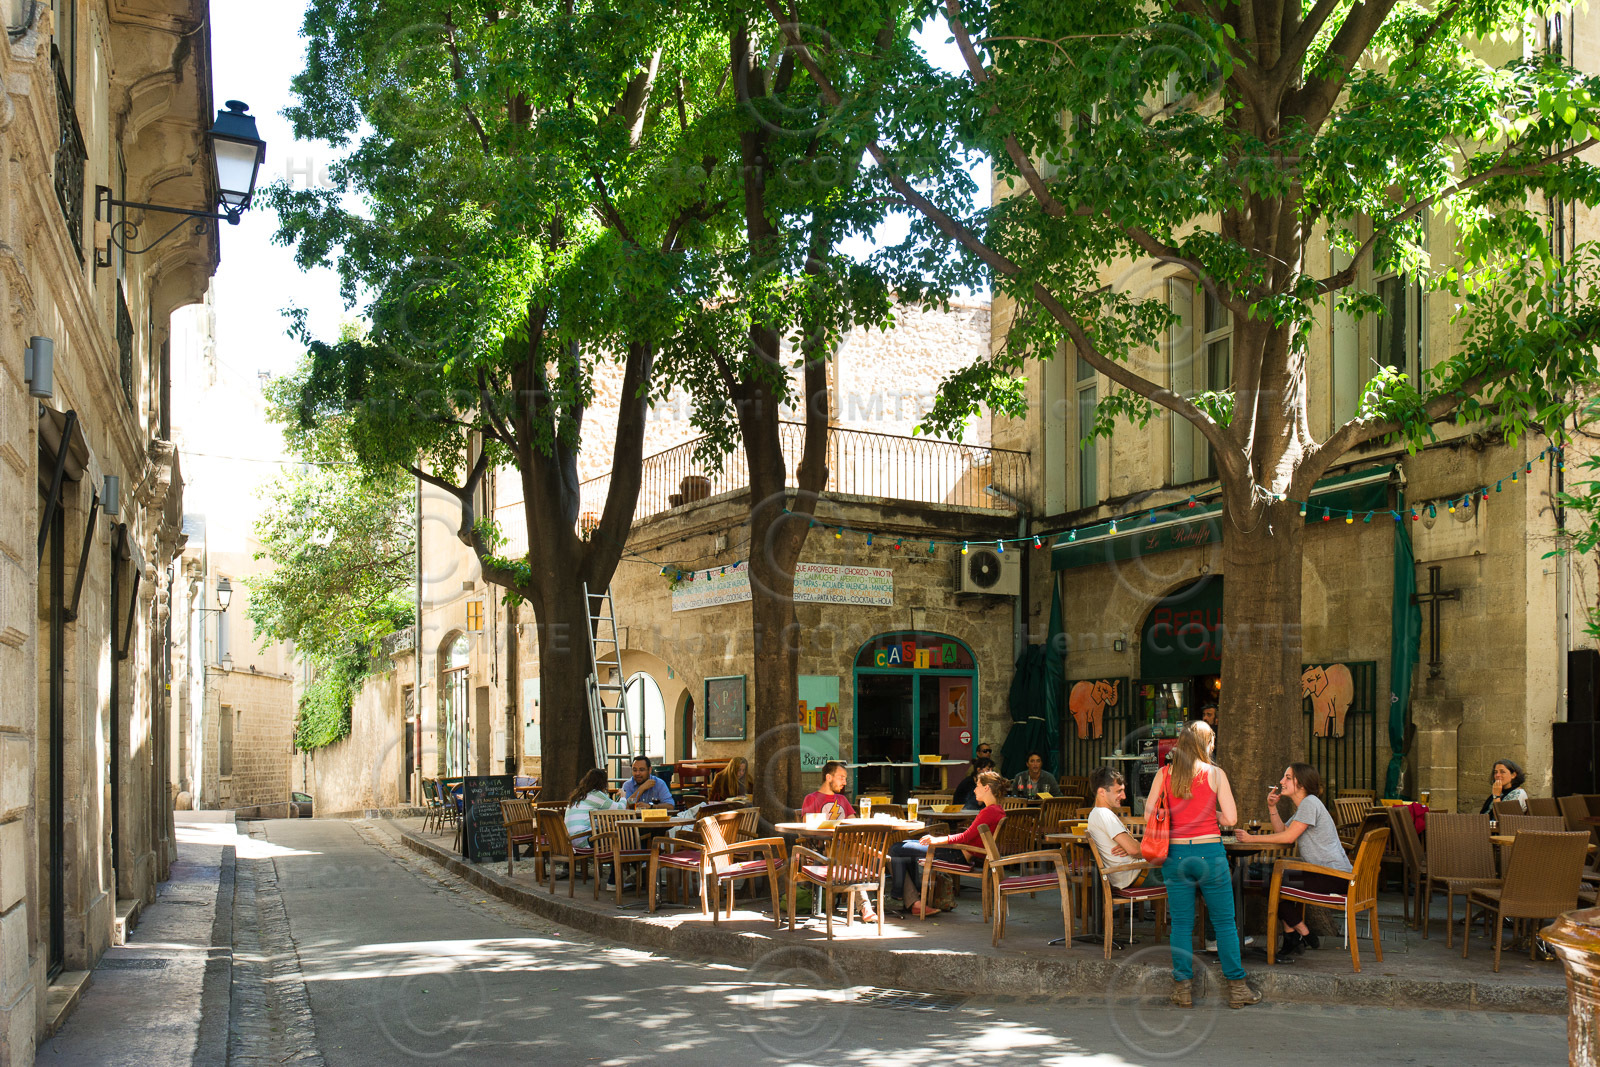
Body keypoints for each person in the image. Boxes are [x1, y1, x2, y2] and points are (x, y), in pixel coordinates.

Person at [1147, 720, 1260, 1009]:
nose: (1214, 746)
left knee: (1182, 925)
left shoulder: (1164, 773)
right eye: (1212, 741)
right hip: (1210, 854)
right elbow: (1232, 819)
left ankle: (1182, 990)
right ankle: (1237, 989)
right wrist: (1213, 812)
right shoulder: (1215, 774)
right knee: (1224, 923)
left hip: (1176, 855)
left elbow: (1150, 811)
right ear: (1204, 744)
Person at [1235, 763, 1350, 956]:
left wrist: (1251, 838)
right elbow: (1283, 831)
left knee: (1271, 880)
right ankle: (1293, 937)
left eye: (1288, 778)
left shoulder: (1310, 803)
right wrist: (1272, 807)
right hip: (1326, 874)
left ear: (1302, 784)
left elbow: (1287, 839)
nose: (1281, 782)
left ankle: (1301, 932)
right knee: (1271, 877)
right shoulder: (1306, 806)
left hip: (1333, 877)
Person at [887, 769, 1007, 917]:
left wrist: (938, 840)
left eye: (977, 786)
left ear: (986, 788)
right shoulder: (997, 810)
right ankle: (914, 896)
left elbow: (965, 836)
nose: (975, 790)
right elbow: (968, 836)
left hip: (957, 853)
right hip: (959, 851)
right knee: (905, 846)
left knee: (896, 848)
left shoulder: (988, 812)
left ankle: (898, 896)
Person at [1085, 766, 1161, 891]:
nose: (1124, 796)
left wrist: (1133, 845)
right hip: (1138, 874)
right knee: (1189, 870)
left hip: (1131, 874)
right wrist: (1136, 846)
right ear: (1102, 792)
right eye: (1118, 791)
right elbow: (1134, 850)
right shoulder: (1104, 814)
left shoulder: (1096, 814)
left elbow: (1133, 848)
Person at [565, 767, 625, 848]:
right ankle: (630, 859)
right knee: (624, 836)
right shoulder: (595, 794)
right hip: (584, 841)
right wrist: (623, 796)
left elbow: (586, 819)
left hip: (572, 841)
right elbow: (620, 809)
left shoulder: (579, 796)